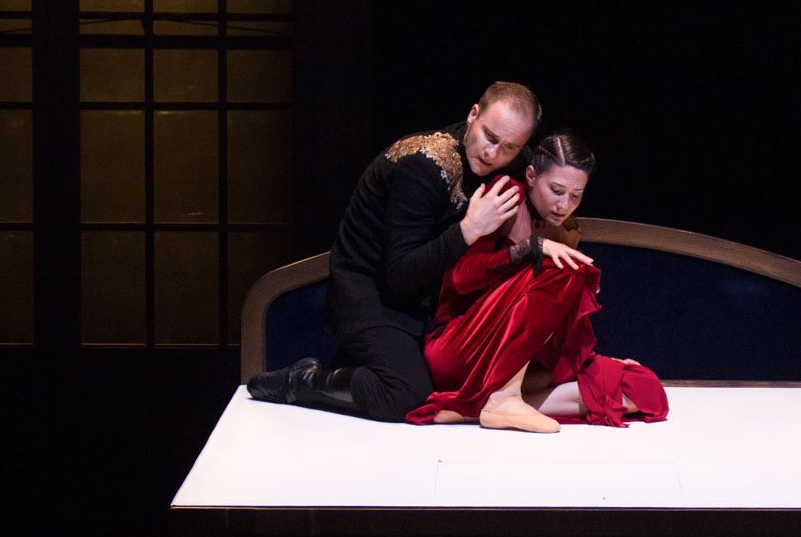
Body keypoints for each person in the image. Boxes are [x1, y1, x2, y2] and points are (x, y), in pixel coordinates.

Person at [246, 82, 541, 421]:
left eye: (509, 147)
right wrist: (468, 230)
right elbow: (400, 274)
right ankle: (301, 382)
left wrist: (561, 221)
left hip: (424, 302)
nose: (493, 153)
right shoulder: (423, 166)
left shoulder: (510, 158)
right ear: (473, 114)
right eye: (489, 137)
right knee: (409, 397)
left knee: (465, 379)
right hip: (368, 294)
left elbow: (544, 170)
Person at [406, 132, 669, 432]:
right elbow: (461, 277)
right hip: (458, 346)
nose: (564, 204)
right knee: (564, 269)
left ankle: (474, 408)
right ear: (531, 176)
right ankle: (502, 398)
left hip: (517, 360)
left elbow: (540, 321)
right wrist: (529, 249)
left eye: (575, 195)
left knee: (642, 386)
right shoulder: (506, 196)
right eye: (556, 190)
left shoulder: (564, 229)